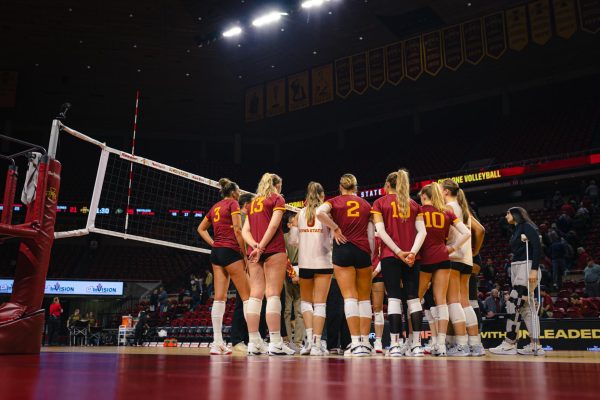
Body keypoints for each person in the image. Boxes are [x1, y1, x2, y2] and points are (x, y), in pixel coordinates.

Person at [317, 173, 375, 357]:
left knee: (349, 297)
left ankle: (355, 343)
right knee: (364, 298)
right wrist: (371, 254)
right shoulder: (366, 205)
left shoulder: (334, 201)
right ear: (356, 187)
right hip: (363, 250)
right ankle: (366, 343)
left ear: (340, 186)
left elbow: (319, 213)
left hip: (342, 249)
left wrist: (334, 227)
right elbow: (371, 233)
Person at [371, 169, 427, 357]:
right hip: (413, 258)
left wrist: (398, 252)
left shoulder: (379, 203)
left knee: (394, 298)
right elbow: (423, 232)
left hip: (390, 256)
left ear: (387, 185)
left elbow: (381, 231)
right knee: (413, 299)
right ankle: (417, 346)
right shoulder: (414, 205)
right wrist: (411, 252)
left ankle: (395, 345)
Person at [242, 173, 295, 356]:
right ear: (277, 185)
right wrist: (262, 247)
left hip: (254, 251)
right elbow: (273, 226)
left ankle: (253, 342)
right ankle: (275, 343)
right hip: (272, 249)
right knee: (273, 294)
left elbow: (245, 231)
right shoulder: (277, 198)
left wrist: (254, 246)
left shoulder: (253, 203)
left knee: (255, 295)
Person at [198, 178, 251, 355]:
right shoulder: (234, 203)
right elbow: (237, 229)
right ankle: (255, 340)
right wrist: (244, 255)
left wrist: (213, 243)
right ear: (234, 192)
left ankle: (217, 343)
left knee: (219, 298)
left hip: (216, 253)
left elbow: (200, 229)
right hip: (230, 251)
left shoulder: (215, 207)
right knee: (248, 297)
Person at [417, 182, 470, 357]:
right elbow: (467, 233)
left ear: (425, 196)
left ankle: (414, 342)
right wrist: (452, 249)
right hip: (443, 257)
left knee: (416, 300)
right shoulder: (447, 212)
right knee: (441, 301)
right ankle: (440, 344)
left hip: (425, 259)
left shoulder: (419, 211)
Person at [490, 207, 544, 356]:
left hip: (527, 268)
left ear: (516, 214)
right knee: (526, 308)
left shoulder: (527, 226)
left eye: (508, 213)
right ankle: (535, 344)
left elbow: (537, 247)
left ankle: (509, 343)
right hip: (518, 268)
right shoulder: (516, 229)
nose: (506, 215)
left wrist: (534, 269)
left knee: (513, 303)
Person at [441, 179, 485, 356]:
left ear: (445, 192)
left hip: (452, 256)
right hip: (466, 259)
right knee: (465, 302)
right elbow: (480, 230)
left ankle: (461, 344)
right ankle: (475, 344)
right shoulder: (464, 209)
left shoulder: (447, 209)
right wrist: (474, 252)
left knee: (453, 301)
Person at [288, 182, 333, 356]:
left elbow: (293, 241)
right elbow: (331, 239)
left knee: (306, 302)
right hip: (323, 262)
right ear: (322, 196)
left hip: (305, 263)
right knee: (320, 303)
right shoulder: (326, 213)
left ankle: (308, 342)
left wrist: (301, 234)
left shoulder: (300, 214)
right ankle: (316, 344)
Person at [230, 193, 255, 354]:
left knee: (250, 302)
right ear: (246, 205)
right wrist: (244, 259)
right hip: (241, 262)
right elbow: (239, 238)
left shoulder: (246, 218)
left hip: (249, 262)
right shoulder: (240, 218)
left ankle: (248, 339)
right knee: (242, 302)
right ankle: (237, 340)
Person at [283, 213, 304, 350]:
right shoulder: (284, 237)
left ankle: (298, 342)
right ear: (289, 225)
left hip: (301, 273)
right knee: (286, 310)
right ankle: (287, 341)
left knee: (300, 310)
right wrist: (292, 274)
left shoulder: (304, 237)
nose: (297, 224)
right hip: (286, 275)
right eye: (294, 222)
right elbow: (284, 257)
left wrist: (300, 275)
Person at [370, 234, 385, 354]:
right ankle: (361, 340)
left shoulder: (379, 236)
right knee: (361, 305)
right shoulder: (358, 232)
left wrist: (374, 272)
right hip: (361, 274)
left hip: (377, 274)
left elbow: (383, 256)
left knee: (378, 308)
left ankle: (378, 341)